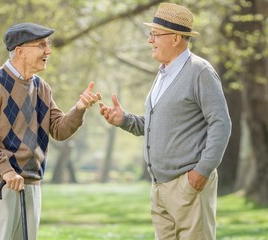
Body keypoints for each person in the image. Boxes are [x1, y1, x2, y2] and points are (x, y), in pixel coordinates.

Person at [99, 3, 231, 240]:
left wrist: (201, 171)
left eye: (155, 34)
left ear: (176, 38)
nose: (150, 40)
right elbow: (154, 125)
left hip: (188, 185)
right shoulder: (162, 74)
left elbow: (221, 123)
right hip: (160, 189)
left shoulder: (200, 71)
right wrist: (124, 120)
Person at [0, 22, 101, 240]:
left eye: (48, 44)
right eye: (42, 45)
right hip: (0, 182)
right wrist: (6, 171)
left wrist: (79, 108)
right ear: (21, 51)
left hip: (31, 183)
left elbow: (59, 129)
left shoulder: (42, 87)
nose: (48, 51)